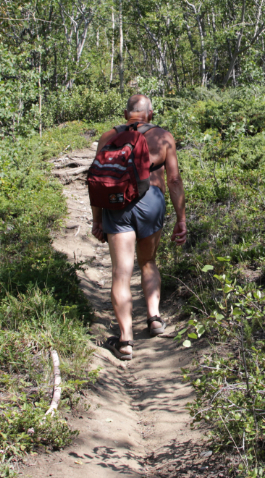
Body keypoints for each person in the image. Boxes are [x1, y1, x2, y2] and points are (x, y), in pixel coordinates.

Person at [91, 94, 187, 360]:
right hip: (151, 201)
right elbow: (175, 181)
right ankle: (154, 318)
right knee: (148, 261)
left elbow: (97, 180)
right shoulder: (164, 137)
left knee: (121, 273)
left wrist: (97, 220)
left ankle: (125, 341)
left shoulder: (107, 137)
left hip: (116, 203)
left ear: (126, 114)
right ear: (151, 114)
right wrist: (181, 219)